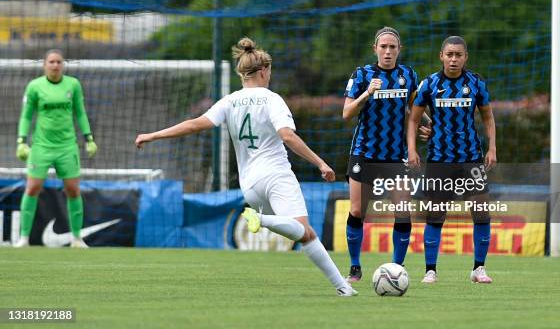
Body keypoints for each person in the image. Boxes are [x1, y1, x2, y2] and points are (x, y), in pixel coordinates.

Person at [135, 37, 357, 297]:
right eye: (270, 71)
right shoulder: (272, 99)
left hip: (249, 185)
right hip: (275, 176)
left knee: (301, 232)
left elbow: (194, 124)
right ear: (263, 71)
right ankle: (263, 222)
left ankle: (343, 287)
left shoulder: (229, 101)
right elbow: (287, 135)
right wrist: (320, 163)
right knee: (305, 232)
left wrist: (152, 135)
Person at [408, 35, 497, 284]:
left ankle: (479, 269)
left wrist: (492, 149)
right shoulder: (430, 84)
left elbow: (488, 118)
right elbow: (414, 120)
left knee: (481, 211)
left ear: (465, 57)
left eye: (459, 55)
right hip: (439, 159)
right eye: (450, 54)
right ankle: (430, 270)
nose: (454, 59)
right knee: (436, 213)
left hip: (471, 159)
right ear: (442, 56)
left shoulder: (476, 83)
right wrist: (412, 149)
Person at [342, 27, 422, 282]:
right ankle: (355, 267)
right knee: (357, 211)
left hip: (396, 156)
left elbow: (413, 107)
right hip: (364, 153)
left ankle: (396, 269)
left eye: (393, 47)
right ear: (374, 48)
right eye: (383, 47)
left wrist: (427, 124)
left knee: (402, 211)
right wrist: (367, 93)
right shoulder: (362, 75)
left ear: (399, 50)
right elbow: (346, 114)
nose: (388, 52)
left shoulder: (408, 75)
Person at [15, 49, 98, 248]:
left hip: (67, 146)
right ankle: (24, 238)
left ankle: (77, 238)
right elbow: (27, 116)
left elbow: (80, 112)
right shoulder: (35, 86)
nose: (55, 65)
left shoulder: (73, 84)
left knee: (72, 189)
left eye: (58, 61)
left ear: (63, 65)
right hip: (41, 146)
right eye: (51, 61)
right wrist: (21, 141)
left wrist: (89, 138)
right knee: (33, 187)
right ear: (44, 65)